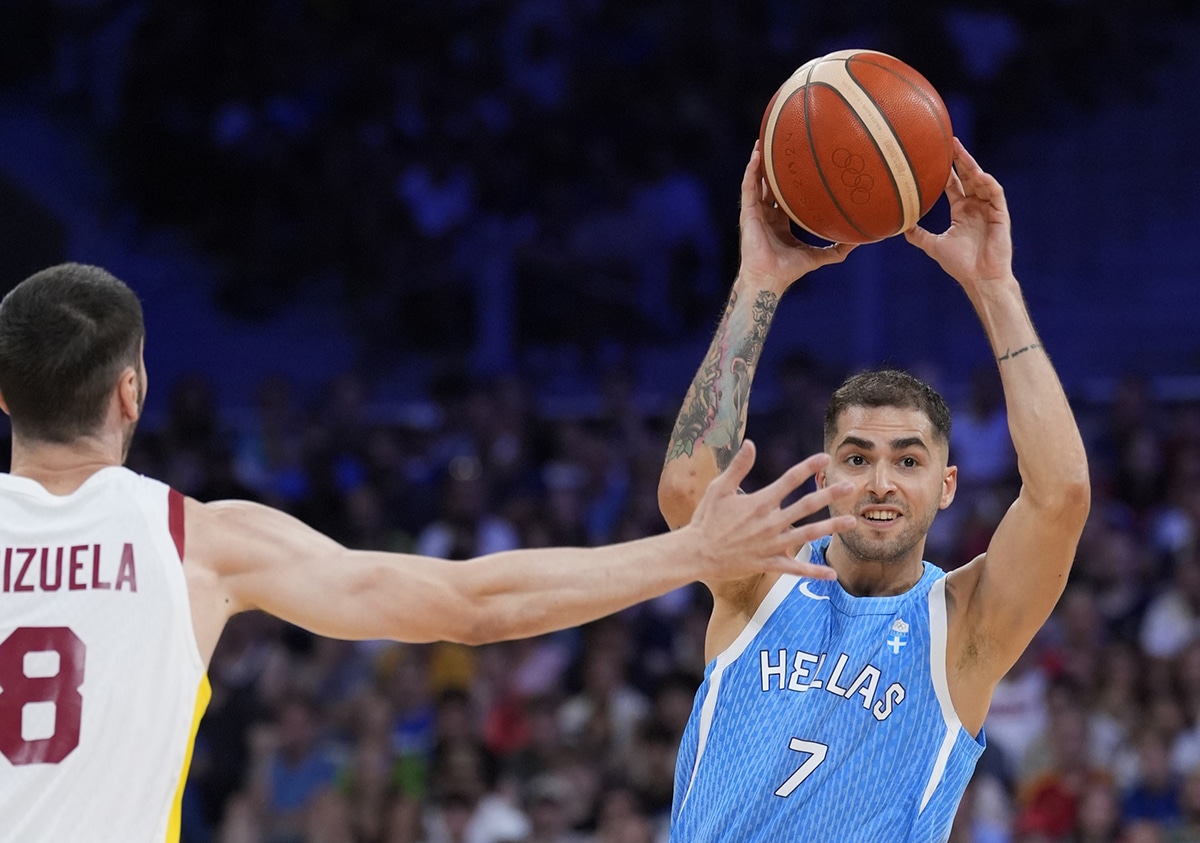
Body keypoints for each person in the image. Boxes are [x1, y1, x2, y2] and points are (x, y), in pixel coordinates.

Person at [0, 263, 857, 843]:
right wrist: (694, 552)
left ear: (5, 396)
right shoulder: (195, 540)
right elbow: (471, 605)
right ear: (131, 388)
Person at [657, 138, 1091, 842]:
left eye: (908, 461)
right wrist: (758, 284)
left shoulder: (965, 630)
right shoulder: (761, 581)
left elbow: (1062, 494)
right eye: (856, 458)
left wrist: (994, 287)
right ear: (825, 475)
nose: (881, 482)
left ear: (947, 486)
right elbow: (686, 487)